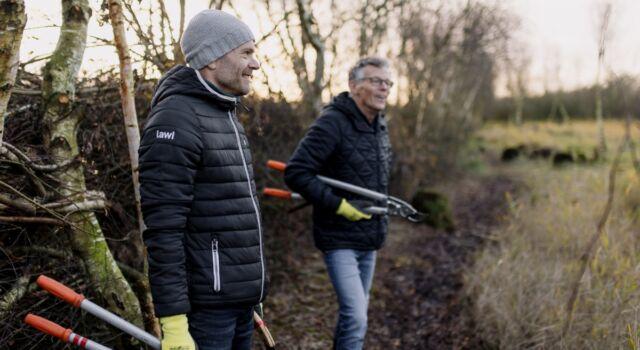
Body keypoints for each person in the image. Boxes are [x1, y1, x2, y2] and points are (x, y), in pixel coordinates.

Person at [138, 9, 266, 350]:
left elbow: (232, 216)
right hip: (206, 314)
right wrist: (174, 321)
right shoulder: (177, 119)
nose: (256, 64)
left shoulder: (225, 112)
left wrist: (250, 293)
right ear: (211, 59)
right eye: (246, 53)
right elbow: (164, 230)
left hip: (237, 303)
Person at [284, 57, 393, 350]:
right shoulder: (333, 123)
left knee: (354, 317)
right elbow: (296, 172)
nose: (384, 88)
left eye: (387, 83)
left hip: (369, 236)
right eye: (376, 81)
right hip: (339, 236)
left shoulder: (379, 125)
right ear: (354, 85)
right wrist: (339, 205)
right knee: (356, 317)